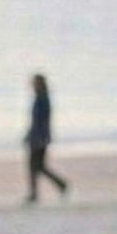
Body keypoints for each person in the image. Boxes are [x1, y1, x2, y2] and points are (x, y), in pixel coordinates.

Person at [23, 72, 69, 203]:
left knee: (35, 166)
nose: (32, 85)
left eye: (35, 82)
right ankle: (59, 185)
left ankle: (36, 193)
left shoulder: (42, 99)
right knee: (38, 166)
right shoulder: (41, 98)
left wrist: (39, 136)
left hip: (39, 137)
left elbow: (41, 121)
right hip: (37, 136)